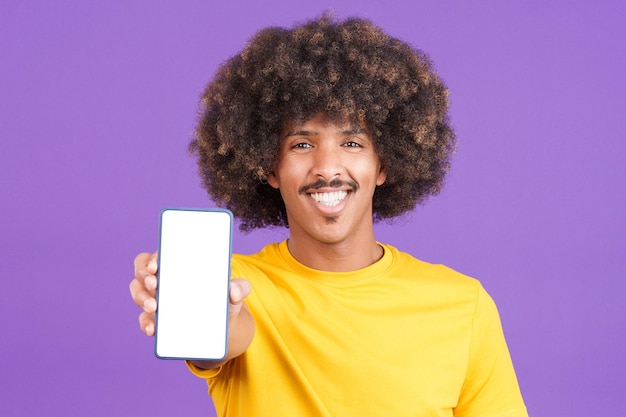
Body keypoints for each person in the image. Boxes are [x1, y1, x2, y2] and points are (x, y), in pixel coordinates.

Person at [130, 14, 528, 417]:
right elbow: (226, 337)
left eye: (352, 142)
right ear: (270, 168)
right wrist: (196, 310)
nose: (328, 167)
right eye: (302, 144)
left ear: (384, 165)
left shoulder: (462, 304)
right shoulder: (232, 285)